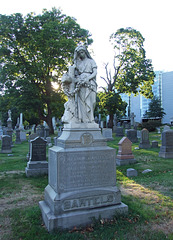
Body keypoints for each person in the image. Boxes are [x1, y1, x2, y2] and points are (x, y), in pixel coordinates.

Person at [61, 45, 97, 124]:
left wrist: (88, 78)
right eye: (79, 53)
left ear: (85, 52)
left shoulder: (91, 61)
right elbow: (74, 74)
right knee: (82, 102)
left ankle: (91, 119)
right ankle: (85, 120)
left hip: (90, 83)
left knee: (92, 101)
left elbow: (95, 72)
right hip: (80, 84)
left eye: (82, 52)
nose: (81, 54)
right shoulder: (78, 64)